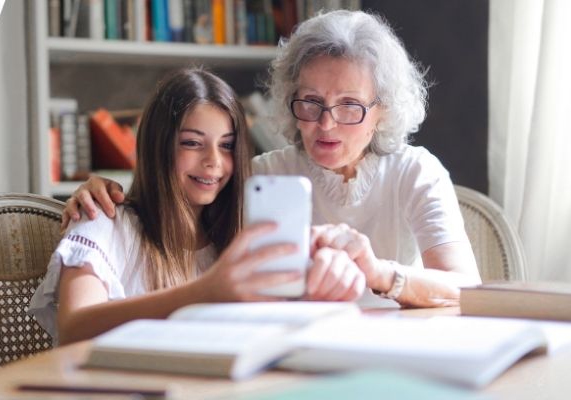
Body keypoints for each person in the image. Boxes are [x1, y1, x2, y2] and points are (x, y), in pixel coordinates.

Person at [62, 10, 482, 308]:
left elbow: (466, 288)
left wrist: (379, 273)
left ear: (383, 111)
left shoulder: (415, 170)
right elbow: (175, 207)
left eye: (350, 106)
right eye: (311, 102)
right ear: (289, 99)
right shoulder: (260, 176)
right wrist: (100, 190)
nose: (326, 124)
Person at [29, 68, 365, 345]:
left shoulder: (237, 237)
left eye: (227, 146)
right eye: (192, 143)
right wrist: (205, 292)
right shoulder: (103, 221)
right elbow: (74, 328)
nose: (213, 162)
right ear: (157, 146)